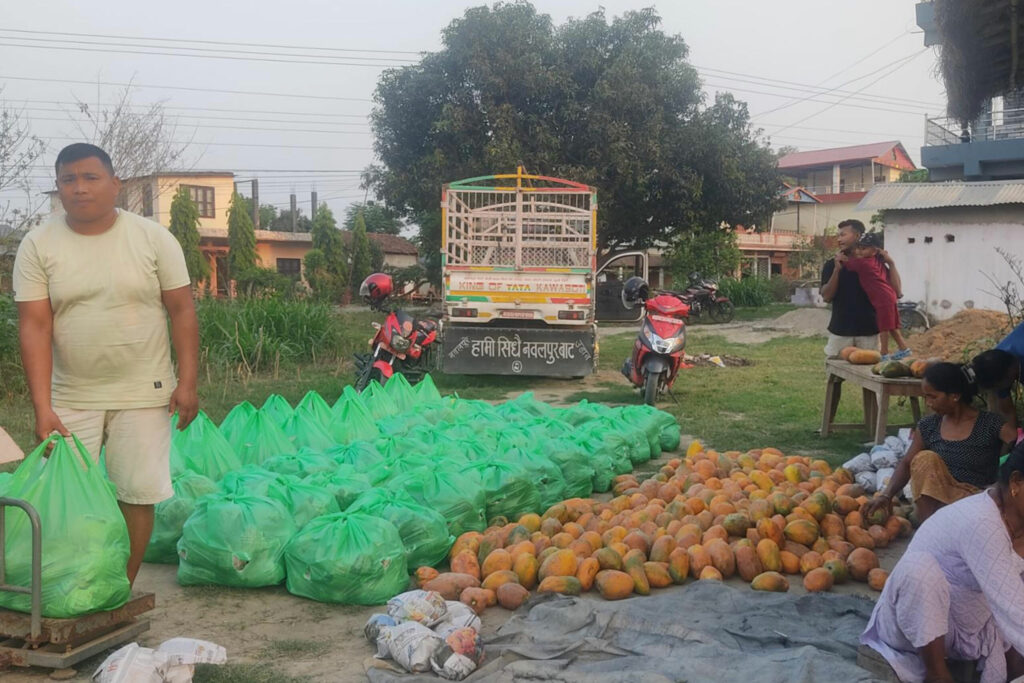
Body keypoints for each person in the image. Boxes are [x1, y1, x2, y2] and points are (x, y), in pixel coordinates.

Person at [13, 143, 200, 586]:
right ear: (58, 187)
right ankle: (73, 583)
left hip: (145, 391)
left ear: (115, 184)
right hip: (71, 395)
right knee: (64, 494)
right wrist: (43, 407)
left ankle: (121, 586)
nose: (79, 189)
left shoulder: (153, 238)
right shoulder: (39, 243)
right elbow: (35, 326)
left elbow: (182, 310)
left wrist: (187, 381)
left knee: (137, 494)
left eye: (90, 178)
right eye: (68, 180)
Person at [859, 446, 1024, 683]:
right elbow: (1014, 610)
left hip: (969, 632)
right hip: (914, 628)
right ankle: (937, 674)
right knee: (919, 570)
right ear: (1016, 483)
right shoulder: (982, 521)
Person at [864, 362, 1016, 525]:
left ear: (955, 396)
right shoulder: (929, 426)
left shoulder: (989, 424)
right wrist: (886, 495)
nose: (928, 403)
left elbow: (1018, 442)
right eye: (926, 397)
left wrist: (1001, 483)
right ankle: (932, 528)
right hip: (936, 505)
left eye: (933, 396)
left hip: (974, 501)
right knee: (924, 459)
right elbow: (907, 463)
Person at [843, 232, 909, 360]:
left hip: (882, 299)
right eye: (859, 248)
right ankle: (903, 348)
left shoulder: (863, 264)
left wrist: (841, 257)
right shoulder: (877, 261)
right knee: (892, 326)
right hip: (889, 296)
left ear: (874, 251)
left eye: (864, 249)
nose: (860, 251)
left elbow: (847, 263)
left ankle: (884, 353)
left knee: (884, 327)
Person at [820, 219, 879, 357]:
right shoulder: (831, 264)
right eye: (838, 236)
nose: (839, 239)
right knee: (834, 373)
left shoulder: (875, 264)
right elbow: (826, 297)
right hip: (841, 329)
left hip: (869, 330)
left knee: (868, 372)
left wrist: (891, 264)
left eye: (843, 235)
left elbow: (894, 291)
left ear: (857, 236)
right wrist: (837, 270)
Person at [972, 336, 1023, 432]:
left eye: (999, 387)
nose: (1000, 389)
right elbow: (1007, 410)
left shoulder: (1002, 367)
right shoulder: (993, 365)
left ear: (1010, 372)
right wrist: (1011, 441)